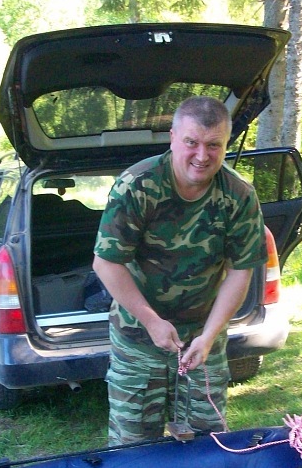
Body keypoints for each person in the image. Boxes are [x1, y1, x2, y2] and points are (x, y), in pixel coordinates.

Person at [93, 96, 267, 445]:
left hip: (203, 338)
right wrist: (151, 321)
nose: (202, 156)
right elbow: (106, 263)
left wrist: (209, 335)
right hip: (138, 337)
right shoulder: (137, 185)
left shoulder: (239, 195)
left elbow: (240, 272)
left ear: (226, 144)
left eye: (214, 145)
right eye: (192, 142)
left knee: (208, 442)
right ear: (173, 138)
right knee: (132, 447)